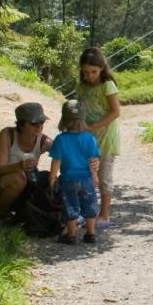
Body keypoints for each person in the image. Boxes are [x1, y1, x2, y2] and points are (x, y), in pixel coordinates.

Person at [0, 102, 52, 220]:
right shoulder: (7, 135)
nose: (39, 127)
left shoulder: (44, 141)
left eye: (42, 122)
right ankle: (0, 213)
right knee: (19, 178)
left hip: (20, 192)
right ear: (22, 124)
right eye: (34, 123)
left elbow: (64, 152)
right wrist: (19, 166)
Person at [76, 47, 120, 226]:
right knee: (84, 175)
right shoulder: (81, 87)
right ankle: (84, 212)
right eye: (85, 72)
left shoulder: (108, 85)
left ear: (102, 68)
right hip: (86, 140)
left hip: (106, 139)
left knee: (104, 178)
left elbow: (115, 112)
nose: (90, 76)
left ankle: (104, 215)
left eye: (93, 72)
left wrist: (93, 126)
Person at [48, 100, 100, 244]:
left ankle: (71, 235)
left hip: (68, 179)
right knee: (89, 204)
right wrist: (95, 176)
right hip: (86, 179)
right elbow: (93, 161)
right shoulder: (89, 138)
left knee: (70, 205)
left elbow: (56, 161)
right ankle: (91, 234)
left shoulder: (60, 139)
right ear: (83, 119)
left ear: (63, 119)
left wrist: (52, 179)